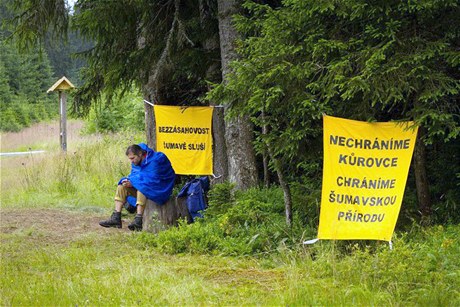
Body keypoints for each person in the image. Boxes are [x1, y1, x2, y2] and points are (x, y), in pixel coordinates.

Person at [99, 143, 176, 231]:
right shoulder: (136, 163)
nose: (131, 161)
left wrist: (134, 183)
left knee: (142, 187)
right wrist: (128, 181)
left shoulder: (156, 159)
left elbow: (153, 180)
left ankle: (138, 220)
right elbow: (136, 176)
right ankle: (116, 217)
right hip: (146, 188)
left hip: (160, 189)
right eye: (129, 159)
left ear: (140, 154)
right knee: (122, 186)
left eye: (132, 158)